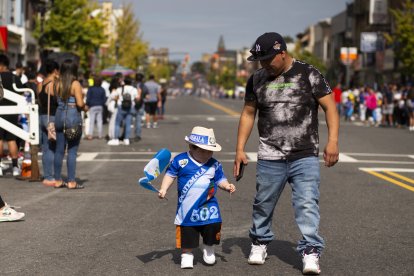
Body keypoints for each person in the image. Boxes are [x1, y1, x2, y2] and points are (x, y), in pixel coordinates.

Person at [234, 33, 339, 275]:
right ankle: (260, 242)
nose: (264, 65)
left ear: (282, 53)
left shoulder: (308, 73)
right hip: (270, 154)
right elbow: (249, 113)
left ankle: (310, 250)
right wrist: (239, 150)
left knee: (306, 203)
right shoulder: (256, 79)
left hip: (305, 154)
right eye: (260, 61)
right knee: (263, 203)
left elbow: (330, 107)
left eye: (268, 59)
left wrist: (332, 141)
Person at [158, 126, 236, 269]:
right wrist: (163, 189)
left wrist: (226, 186)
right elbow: (170, 175)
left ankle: (209, 247)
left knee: (213, 225)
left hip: (208, 204)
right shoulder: (180, 160)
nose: (208, 154)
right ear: (192, 147)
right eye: (204, 150)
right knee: (188, 231)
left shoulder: (215, 164)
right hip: (187, 207)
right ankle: (187, 254)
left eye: (210, 151)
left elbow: (220, 180)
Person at [54, 59, 86, 189]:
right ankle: (71, 181)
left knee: (59, 150)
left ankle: (57, 180)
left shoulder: (57, 83)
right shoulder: (75, 84)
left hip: (59, 115)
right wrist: (85, 107)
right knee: (72, 151)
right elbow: (79, 104)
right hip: (72, 117)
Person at [0, 54, 24, 177]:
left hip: (0, 110)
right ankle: (15, 166)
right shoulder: (15, 78)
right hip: (13, 111)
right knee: (11, 139)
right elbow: (23, 92)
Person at [37, 59, 59, 186]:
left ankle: (47, 176)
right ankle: (53, 176)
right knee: (55, 148)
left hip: (43, 116)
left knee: (46, 148)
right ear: (55, 70)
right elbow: (59, 100)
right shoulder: (54, 83)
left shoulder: (41, 84)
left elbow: (39, 101)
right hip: (53, 117)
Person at [107, 77, 137, 146]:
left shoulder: (120, 89)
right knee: (128, 124)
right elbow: (136, 98)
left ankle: (116, 139)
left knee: (117, 123)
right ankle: (126, 139)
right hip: (130, 107)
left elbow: (115, 96)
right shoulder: (134, 89)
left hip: (121, 107)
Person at [133, 73, 148, 142]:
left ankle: (125, 136)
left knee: (128, 120)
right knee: (138, 120)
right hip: (141, 104)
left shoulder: (132, 84)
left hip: (132, 104)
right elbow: (147, 96)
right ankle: (138, 135)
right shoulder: (144, 86)